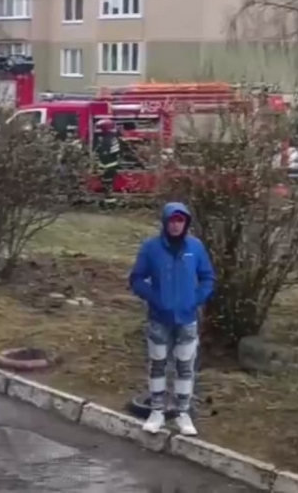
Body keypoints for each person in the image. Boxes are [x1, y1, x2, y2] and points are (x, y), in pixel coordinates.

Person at [129, 202, 215, 437]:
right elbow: (136, 279)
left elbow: (208, 278)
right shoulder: (151, 248)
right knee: (158, 364)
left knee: (185, 366)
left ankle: (182, 413)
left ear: (186, 223)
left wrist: (196, 299)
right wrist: (154, 299)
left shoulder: (195, 248)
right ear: (165, 222)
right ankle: (156, 411)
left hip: (187, 319)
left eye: (181, 220)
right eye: (172, 220)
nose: (176, 225)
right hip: (159, 318)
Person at [94, 118, 121, 206]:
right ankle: (109, 202)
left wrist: (101, 166)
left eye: (100, 128)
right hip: (110, 166)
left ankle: (110, 204)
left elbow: (105, 154)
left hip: (108, 167)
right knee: (107, 185)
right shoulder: (112, 137)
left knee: (107, 185)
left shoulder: (108, 139)